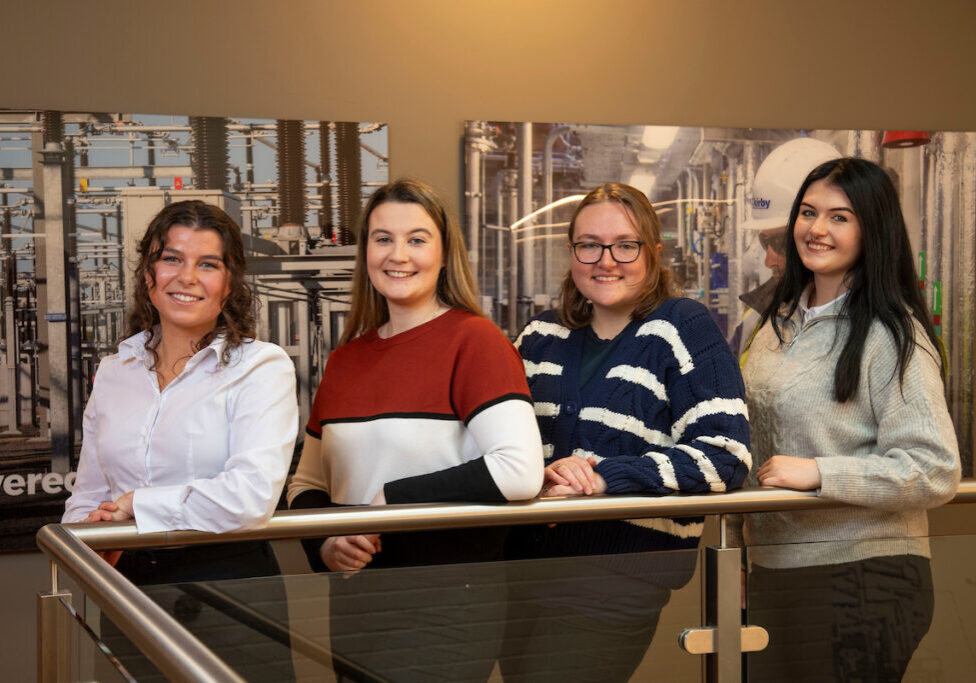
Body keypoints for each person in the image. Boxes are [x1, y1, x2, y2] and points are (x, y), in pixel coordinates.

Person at [287, 178, 544, 681]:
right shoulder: (345, 360)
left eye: (417, 239)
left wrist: (390, 500)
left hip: (446, 602)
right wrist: (326, 542)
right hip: (356, 603)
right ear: (365, 253)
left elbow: (519, 472)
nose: (397, 254)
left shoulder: (476, 341)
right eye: (382, 238)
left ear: (445, 254)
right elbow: (306, 485)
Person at [501, 182, 751, 682]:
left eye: (625, 245)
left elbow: (726, 455)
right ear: (572, 252)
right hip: (518, 575)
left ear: (653, 254)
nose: (605, 260)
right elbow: (504, 446)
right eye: (589, 245)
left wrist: (605, 478)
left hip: (613, 582)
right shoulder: (539, 336)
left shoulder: (681, 327)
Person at [739, 157, 961, 681]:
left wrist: (822, 473)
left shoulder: (891, 333)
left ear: (872, 229)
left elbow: (934, 467)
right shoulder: (778, 322)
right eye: (809, 212)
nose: (817, 229)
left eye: (840, 217)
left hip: (863, 575)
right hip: (778, 568)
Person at [62, 200, 299, 681]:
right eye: (172, 258)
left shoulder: (261, 367)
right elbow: (89, 491)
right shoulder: (113, 372)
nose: (186, 276)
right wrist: (81, 537)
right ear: (148, 274)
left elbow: (251, 496)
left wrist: (137, 505)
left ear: (228, 284)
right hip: (129, 588)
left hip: (232, 591)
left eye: (207, 264)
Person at [729, 137, 840, 358]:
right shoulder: (757, 318)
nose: (768, 261)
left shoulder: (876, 337)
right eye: (765, 242)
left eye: (780, 243)